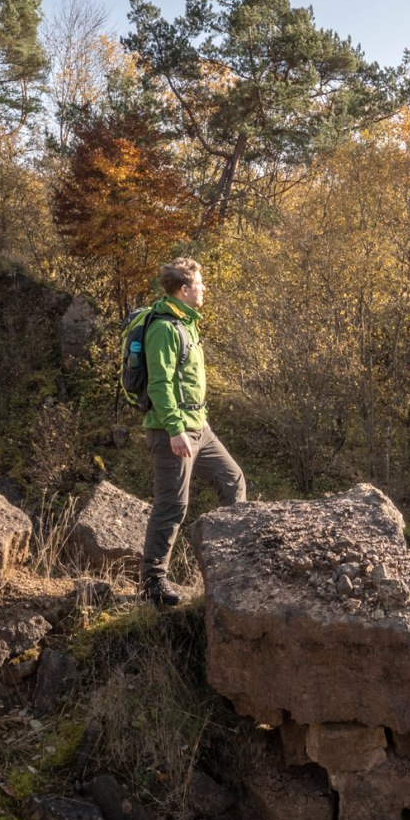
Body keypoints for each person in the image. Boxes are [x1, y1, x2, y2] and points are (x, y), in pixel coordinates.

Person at [140, 256, 244, 607]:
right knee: (172, 505)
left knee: (233, 480)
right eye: (200, 283)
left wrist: (196, 423)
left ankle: (233, 566)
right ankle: (153, 584)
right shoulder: (164, 328)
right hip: (173, 430)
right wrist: (174, 429)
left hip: (200, 428)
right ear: (184, 289)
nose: (204, 288)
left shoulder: (187, 323)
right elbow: (159, 385)